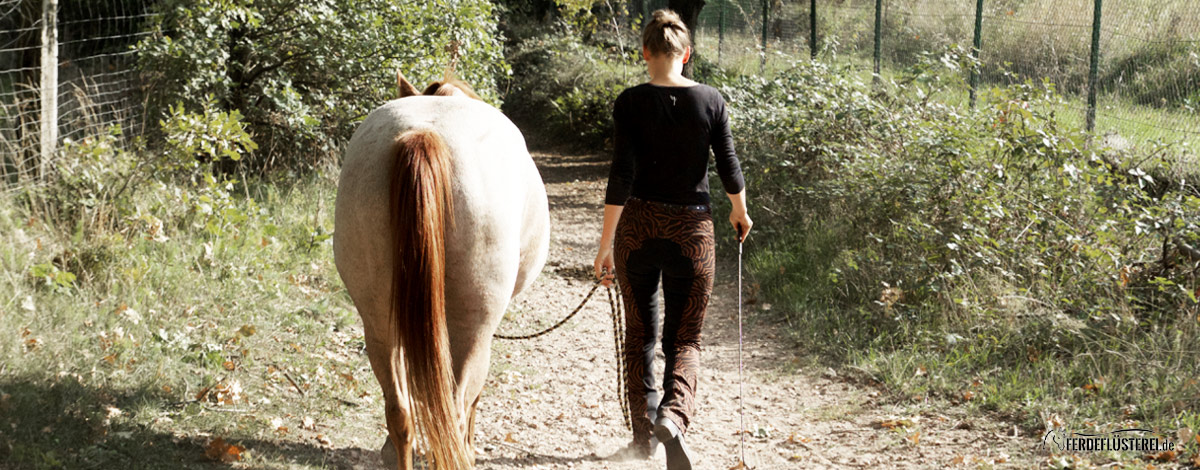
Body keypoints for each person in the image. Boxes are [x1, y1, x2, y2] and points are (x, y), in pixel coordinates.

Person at [592, 8, 752, 470]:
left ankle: (644, 439)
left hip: (638, 226)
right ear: (687, 54)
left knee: (639, 334)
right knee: (686, 338)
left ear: (645, 53)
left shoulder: (630, 101)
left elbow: (621, 176)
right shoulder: (711, 100)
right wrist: (740, 212)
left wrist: (606, 243)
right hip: (692, 230)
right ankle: (674, 418)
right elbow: (728, 165)